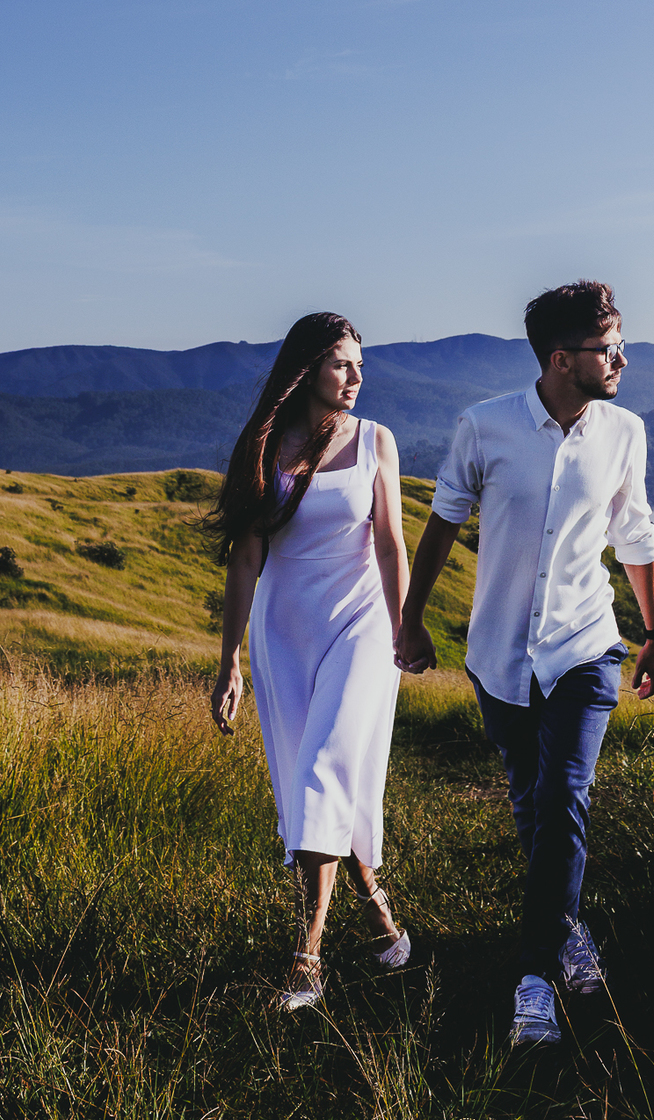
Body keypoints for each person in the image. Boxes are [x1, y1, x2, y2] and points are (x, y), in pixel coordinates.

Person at [395, 282, 654, 1047]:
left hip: (585, 646)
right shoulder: (482, 428)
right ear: (559, 358)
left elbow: (636, 535)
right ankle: (568, 928)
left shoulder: (624, 432)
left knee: (564, 796)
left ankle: (534, 978)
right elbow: (443, 523)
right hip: (499, 656)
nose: (622, 360)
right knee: (530, 801)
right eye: (608, 349)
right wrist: (412, 622)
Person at [209, 312, 412, 1012]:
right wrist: (228, 659)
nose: (357, 377)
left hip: (362, 623)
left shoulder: (376, 441)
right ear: (306, 370)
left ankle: (308, 955)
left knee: (326, 764)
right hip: (283, 630)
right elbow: (245, 558)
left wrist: (406, 624)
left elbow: (390, 543)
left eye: (360, 364)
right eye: (341, 365)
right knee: (311, 786)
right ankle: (378, 905)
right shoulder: (263, 445)